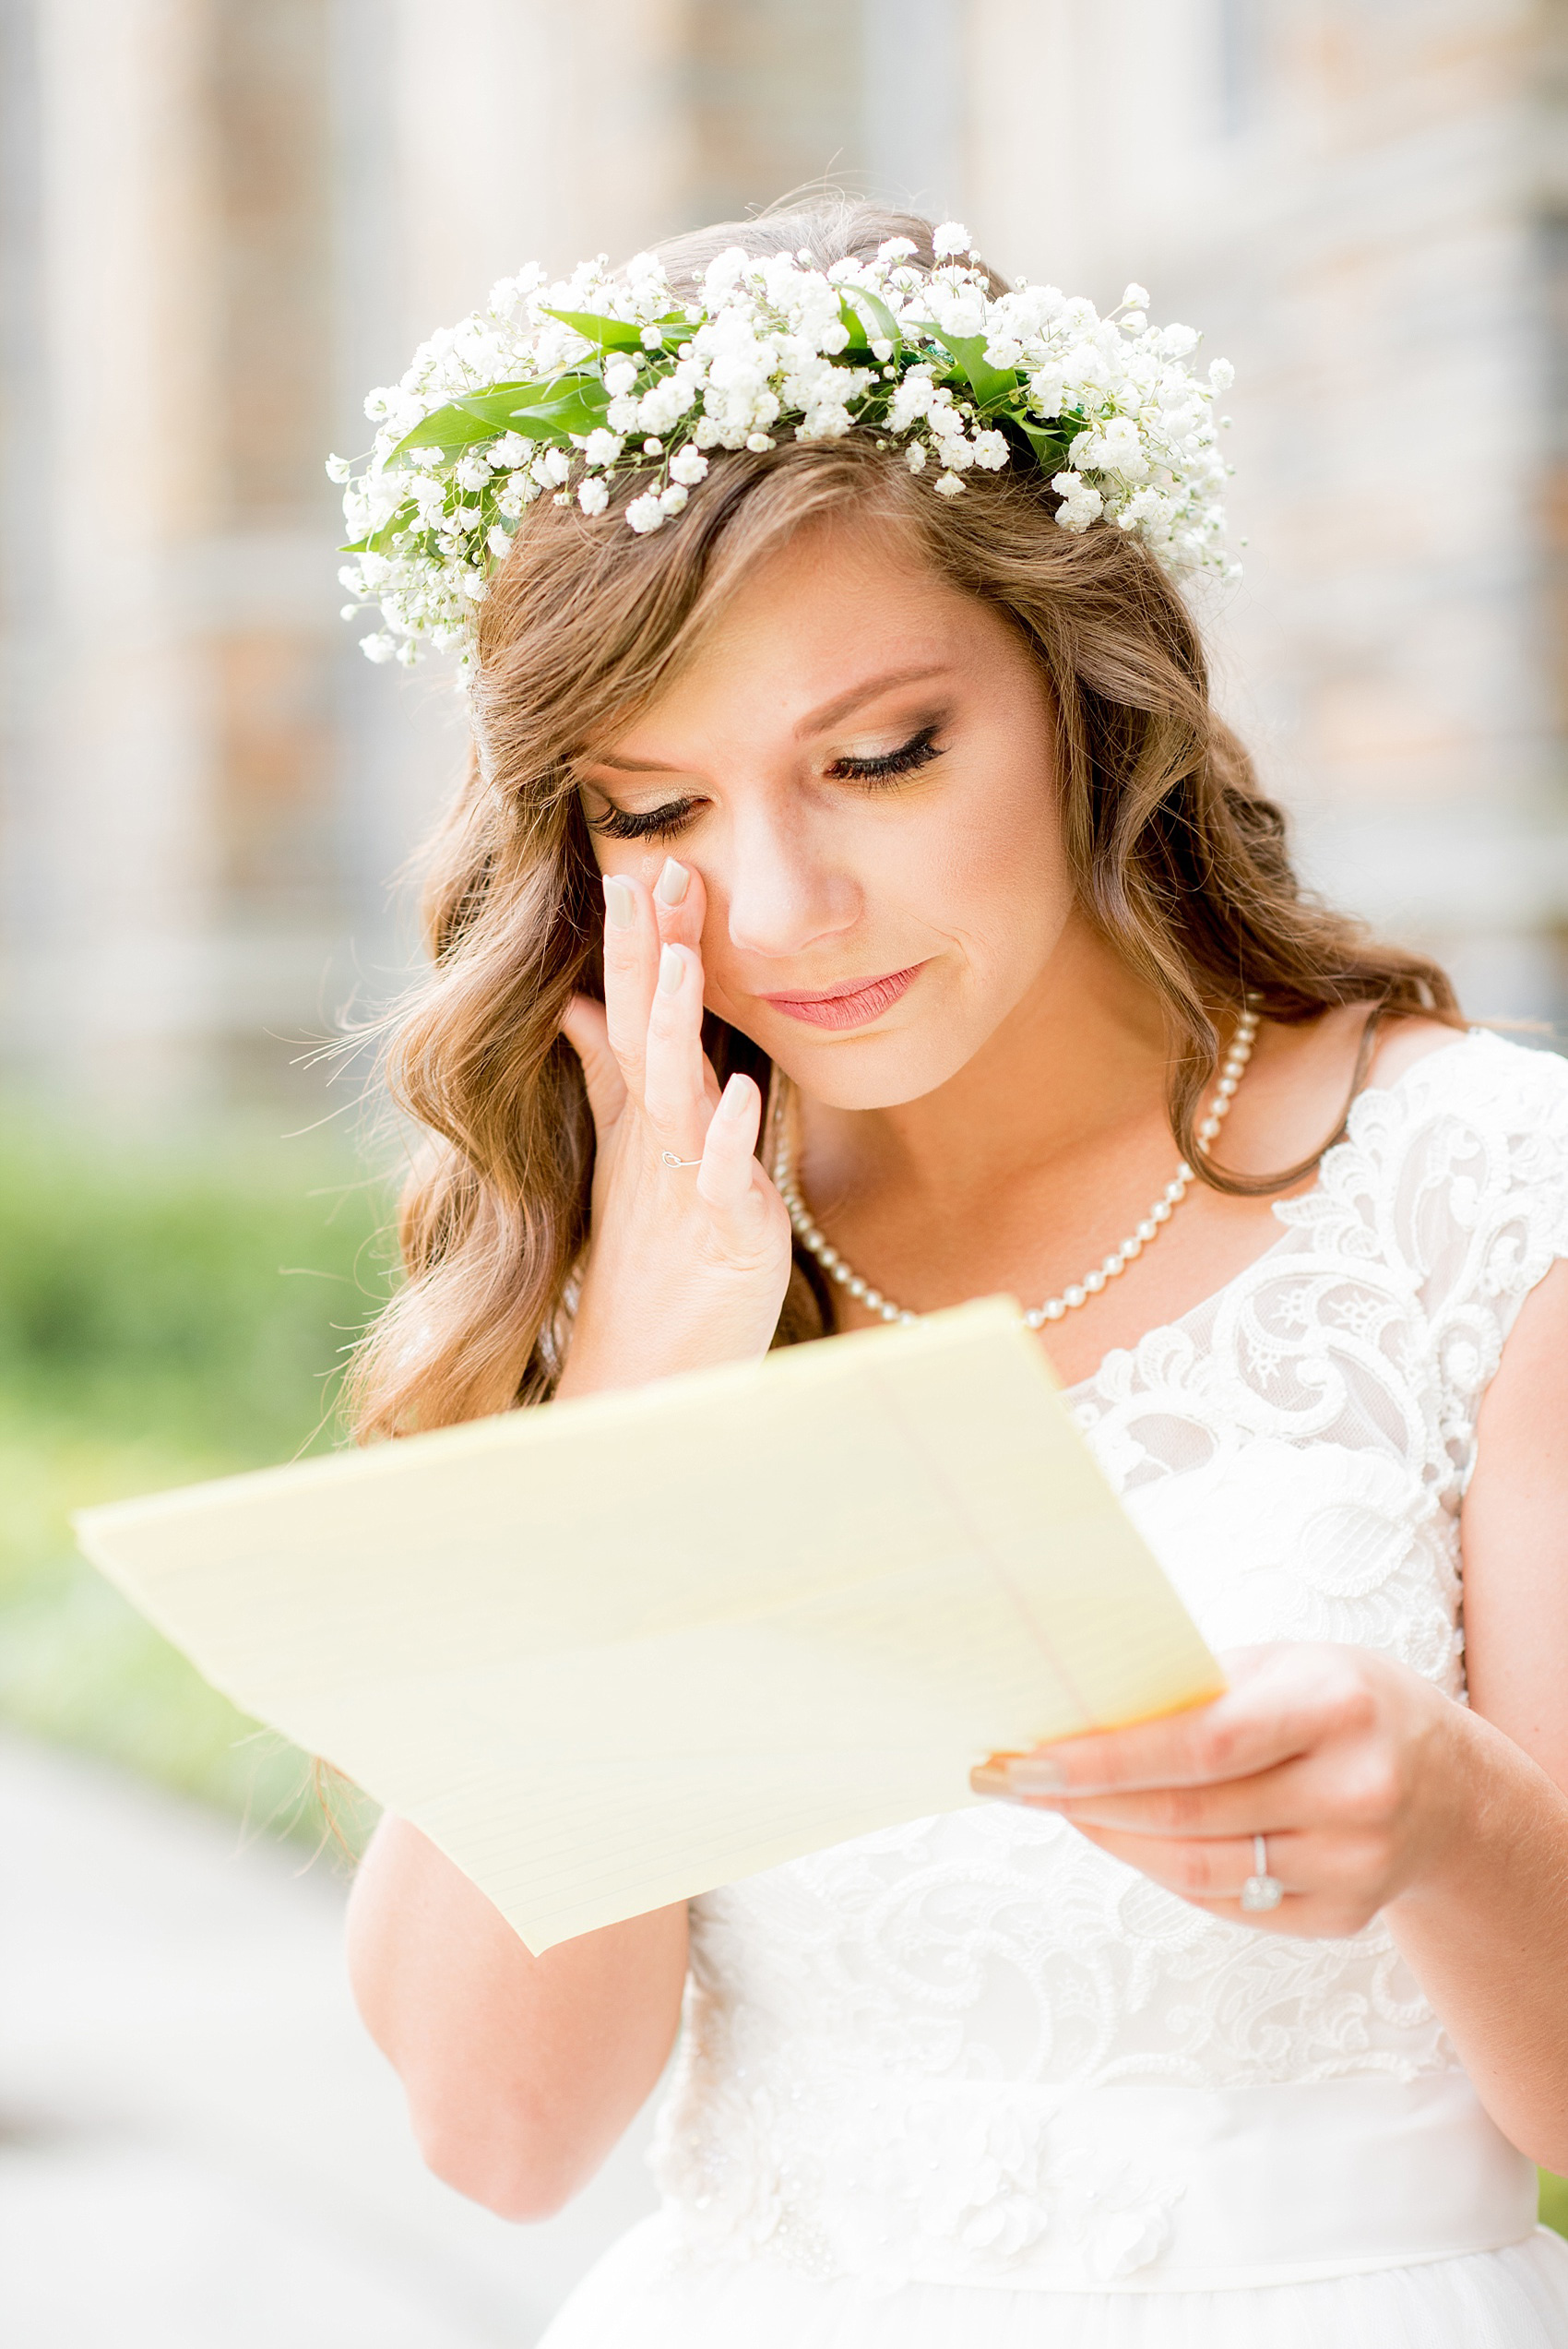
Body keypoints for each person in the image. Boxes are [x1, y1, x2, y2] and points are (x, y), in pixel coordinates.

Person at [338, 197, 1568, 2343]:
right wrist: (638, 1389)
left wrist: (1451, 1817)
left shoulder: (1487, 1200)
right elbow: (496, 2128)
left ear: (1088, 694)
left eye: (880, 757)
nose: (787, 903)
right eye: (656, 813)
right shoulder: (654, 1236)